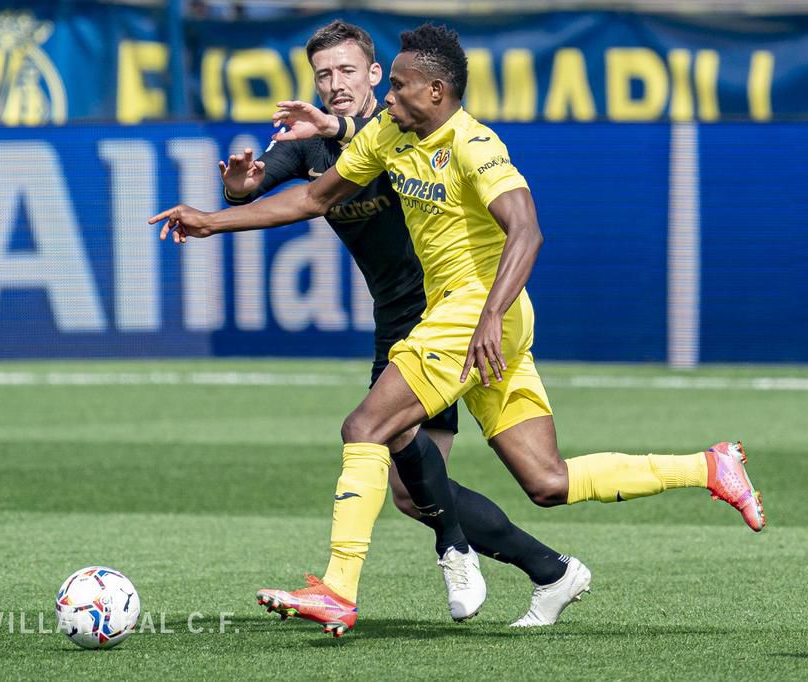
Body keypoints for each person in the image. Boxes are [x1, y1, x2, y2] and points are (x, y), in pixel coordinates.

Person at [150, 23, 766, 638]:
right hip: (474, 317)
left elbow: (527, 230)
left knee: (366, 428)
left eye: (398, 86)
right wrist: (212, 220)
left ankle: (339, 588)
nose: (389, 97)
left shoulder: (474, 145)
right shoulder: (390, 134)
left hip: (475, 312)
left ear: (436, 91)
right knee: (546, 480)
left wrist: (489, 315)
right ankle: (709, 468)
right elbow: (314, 199)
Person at [215, 19, 578, 630]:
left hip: (441, 312)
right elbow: (280, 190)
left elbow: (384, 137)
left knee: (377, 437)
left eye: (347, 70)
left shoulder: (402, 124)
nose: (335, 83)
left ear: (376, 74)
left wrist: (335, 128)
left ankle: (437, 557)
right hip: (395, 317)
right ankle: (541, 567)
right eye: (323, 74)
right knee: (416, 490)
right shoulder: (309, 146)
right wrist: (234, 193)